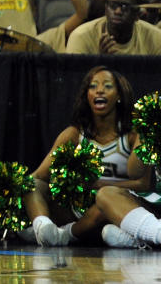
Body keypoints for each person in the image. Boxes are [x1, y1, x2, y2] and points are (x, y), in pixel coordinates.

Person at [23, 66, 148, 245]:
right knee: (31, 185)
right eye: (93, 86)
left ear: (119, 96)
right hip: (79, 207)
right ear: (87, 96)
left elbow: (144, 184)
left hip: (115, 204)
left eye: (107, 86)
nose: (99, 90)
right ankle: (43, 228)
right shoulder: (73, 135)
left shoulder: (132, 135)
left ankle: (65, 236)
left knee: (103, 203)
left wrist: (99, 185)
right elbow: (40, 175)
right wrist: (17, 189)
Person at [67, 0, 161, 53]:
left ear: (137, 15)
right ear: (105, 9)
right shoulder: (81, 36)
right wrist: (101, 62)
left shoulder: (155, 38)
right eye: (113, 5)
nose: (118, 11)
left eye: (125, 6)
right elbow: (75, 79)